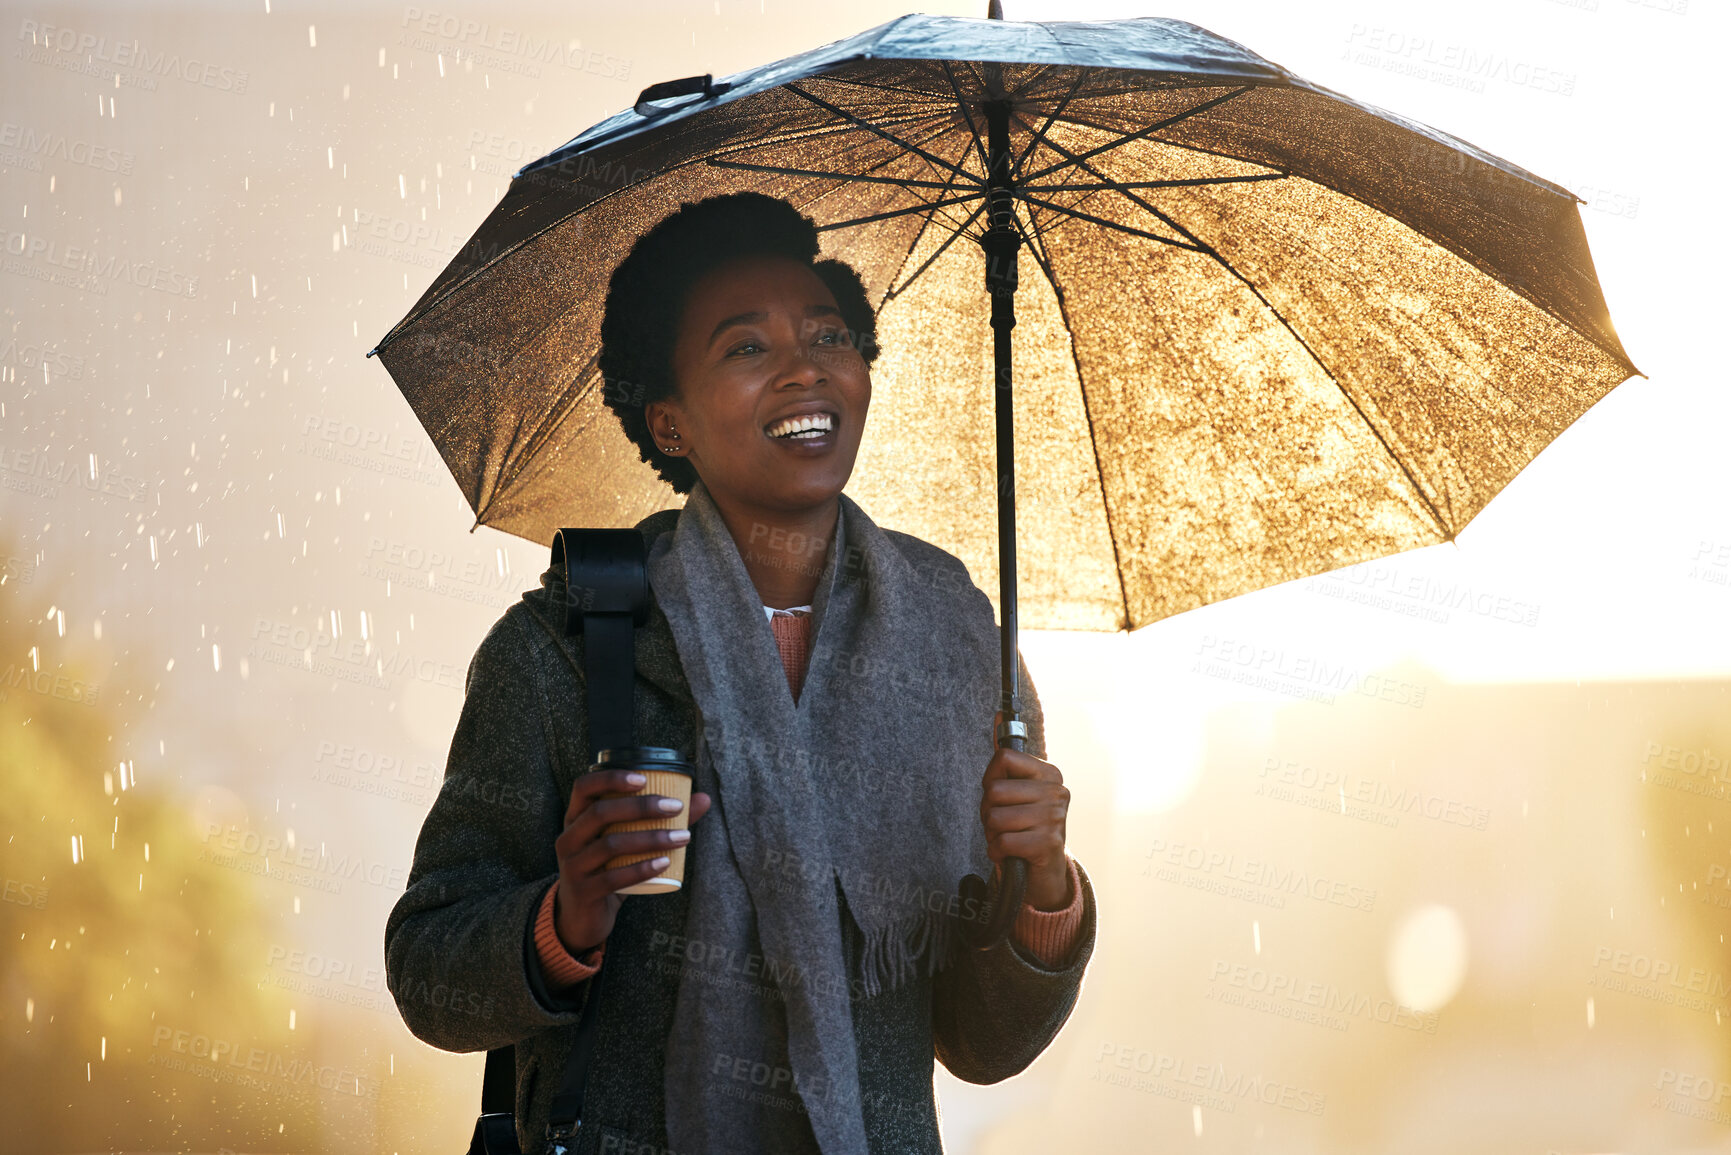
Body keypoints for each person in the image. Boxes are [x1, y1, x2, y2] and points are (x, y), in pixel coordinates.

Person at [384, 192, 1096, 1154]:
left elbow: (982, 1041)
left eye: (828, 335)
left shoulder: (959, 650)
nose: (805, 367)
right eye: (746, 348)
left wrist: (1044, 888)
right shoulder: (564, 646)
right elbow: (428, 973)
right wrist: (567, 914)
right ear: (668, 422)